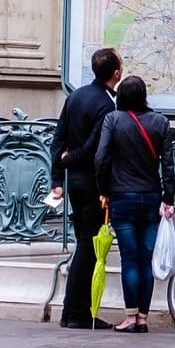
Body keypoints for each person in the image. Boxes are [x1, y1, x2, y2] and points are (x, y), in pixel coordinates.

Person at [95, 74, 175, 333]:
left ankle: (130, 317)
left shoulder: (113, 119)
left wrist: (104, 188)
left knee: (129, 259)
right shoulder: (160, 122)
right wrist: (168, 197)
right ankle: (143, 316)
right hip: (151, 196)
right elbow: (168, 164)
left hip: (121, 197)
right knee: (146, 259)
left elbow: (101, 157)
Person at [50, 47, 122, 330]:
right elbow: (96, 148)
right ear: (116, 73)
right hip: (94, 183)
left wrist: (59, 176)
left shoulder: (76, 96)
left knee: (84, 243)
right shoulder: (108, 104)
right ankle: (77, 312)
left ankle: (72, 312)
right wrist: (71, 161)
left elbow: (58, 138)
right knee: (88, 247)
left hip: (74, 184)